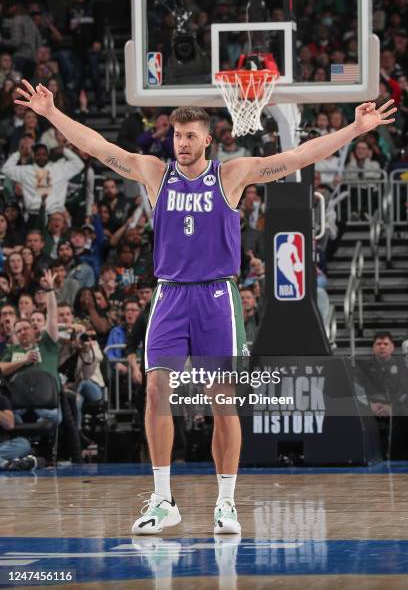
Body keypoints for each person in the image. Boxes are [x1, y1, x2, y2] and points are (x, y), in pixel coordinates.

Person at [14, 77, 397, 534]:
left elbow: (297, 157)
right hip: (170, 294)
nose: (182, 143)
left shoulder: (230, 175)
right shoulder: (156, 173)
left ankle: (226, 503)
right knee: (157, 392)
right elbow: (98, 148)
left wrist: (354, 130)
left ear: (208, 140)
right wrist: (52, 114)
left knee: (222, 402)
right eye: (177, 136)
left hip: (217, 296)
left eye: (190, 136)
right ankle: (162, 499)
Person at [0, 270, 60, 426]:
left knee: (53, 418)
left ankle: (40, 444)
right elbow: (2, 368)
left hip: (46, 403)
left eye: (25, 328)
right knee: (13, 422)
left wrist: (49, 291)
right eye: (18, 331)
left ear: (34, 329)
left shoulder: (47, 343)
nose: (22, 332)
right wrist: (23, 361)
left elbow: (52, 317)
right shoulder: (13, 350)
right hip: (20, 405)